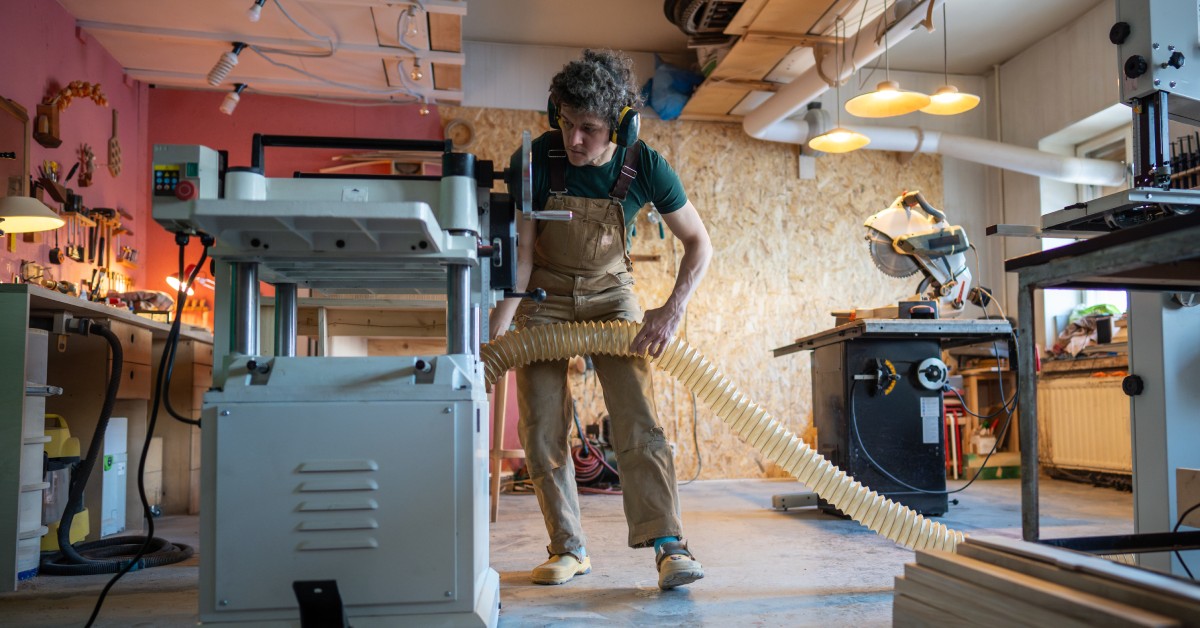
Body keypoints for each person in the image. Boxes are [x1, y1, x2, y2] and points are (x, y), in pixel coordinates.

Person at [490, 49, 713, 590]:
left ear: (620, 123)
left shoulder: (647, 166)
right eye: (566, 123)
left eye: (589, 128)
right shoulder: (535, 159)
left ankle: (669, 546)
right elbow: (521, 256)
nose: (574, 140)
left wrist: (670, 310)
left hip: (613, 297)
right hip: (543, 295)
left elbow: (699, 243)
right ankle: (568, 548)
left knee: (638, 422)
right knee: (543, 426)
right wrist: (494, 337)